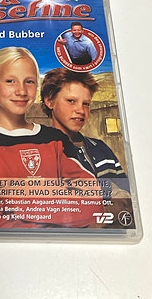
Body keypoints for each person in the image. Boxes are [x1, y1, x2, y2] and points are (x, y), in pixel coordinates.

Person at [0, 47, 102, 229]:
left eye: (29, 81)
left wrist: (10, 194)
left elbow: (92, 204)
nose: (21, 91)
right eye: (10, 81)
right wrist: (53, 195)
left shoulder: (56, 139)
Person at [40, 68, 132, 223]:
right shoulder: (38, 151)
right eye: (71, 101)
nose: (80, 110)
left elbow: (127, 199)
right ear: (50, 101)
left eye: (86, 104)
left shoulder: (101, 148)